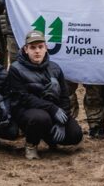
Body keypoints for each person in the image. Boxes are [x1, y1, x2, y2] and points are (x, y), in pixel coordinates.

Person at [53, 0, 104, 139]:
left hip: (93, 42)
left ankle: (96, 124)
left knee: (94, 88)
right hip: (69, 42)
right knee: (66, 87)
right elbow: (51, 8)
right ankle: (68, 122)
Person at [7, 30, 84, 159]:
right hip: (26, 111)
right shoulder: (15, 69)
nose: (37, 51)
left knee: (75, 135)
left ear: (46, 48)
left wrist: (62, 123)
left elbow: (65, 97)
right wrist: (52, 108)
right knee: (40, 119)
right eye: (33, 47)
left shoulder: (55, 68)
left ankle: (49, 138)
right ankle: (31, 144)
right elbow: (23, 98)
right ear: (26, 49)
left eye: (40, 47)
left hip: (52, 111)